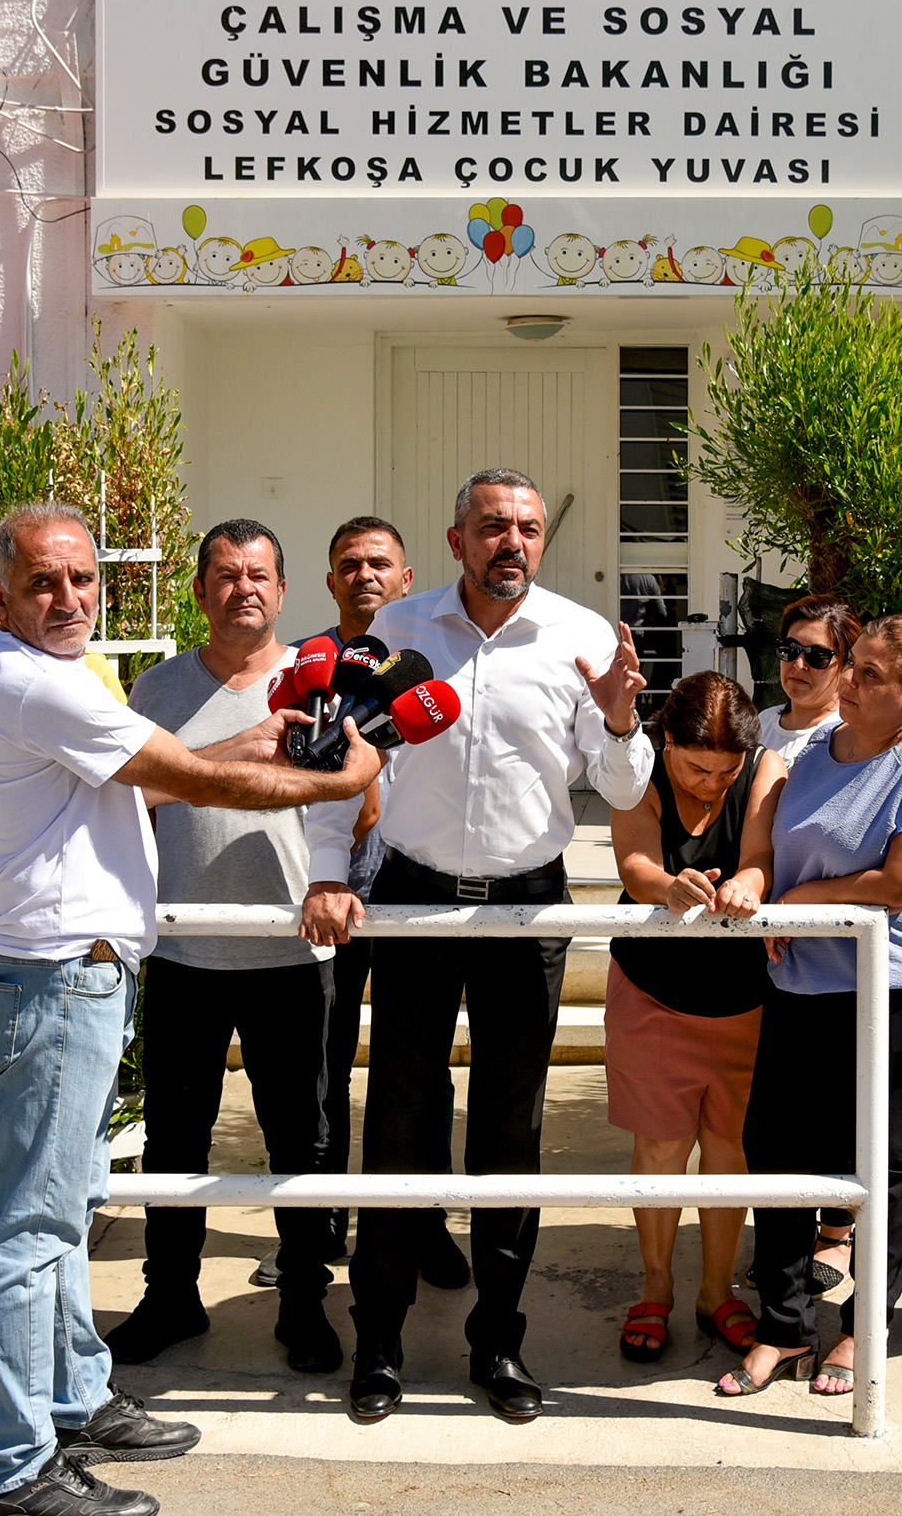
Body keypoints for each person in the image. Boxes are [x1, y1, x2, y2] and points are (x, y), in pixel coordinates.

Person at [0, 501, 377, 1516]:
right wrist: (342, 776)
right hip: (61, 972)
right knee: (33, 1230)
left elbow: (140, 786)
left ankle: (77, 1398)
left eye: (81, 578)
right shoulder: (37, 682)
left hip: (77, 972)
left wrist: (256, 735)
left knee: (65, 1211)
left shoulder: (54, 676)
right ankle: (19, 1469)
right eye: (42, 582)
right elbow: (187, 778)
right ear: (2, 595)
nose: (68, 598)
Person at [301, 468, 652, 1426]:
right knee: (399, 1122)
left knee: (510, 1130)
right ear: (456, 539)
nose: (514, 542)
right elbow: (343, 765)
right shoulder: (397, 631)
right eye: (494, 526)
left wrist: (621, 718)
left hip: (527, 911)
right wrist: (328, 873)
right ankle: (379, 1340)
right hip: (414, 900)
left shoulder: (582, 636)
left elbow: (624, 789)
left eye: (528, 528)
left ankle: (498, 1339)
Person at [104, 520, 345, 1375]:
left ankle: (305, 1302)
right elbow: (128, 800)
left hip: (291, 957)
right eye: (226, 574)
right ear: (201, 590)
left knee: (300, 1141)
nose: (243, 588)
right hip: (181, 954)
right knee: (176, 1138)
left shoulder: (321, 684)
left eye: (258, 575)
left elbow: (357, 804)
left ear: (282, 592)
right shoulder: (155, 689)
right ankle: (170, 1295)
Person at [719, 615, 902, 1403]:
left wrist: (796, 904)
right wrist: (759, 886)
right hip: (801, 983)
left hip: (893, 988)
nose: (848, 681)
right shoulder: (811, 753)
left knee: (876, 1158)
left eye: (869, 673)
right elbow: (768, 853)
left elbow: (901, 884)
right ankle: (785, 1326)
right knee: (774, 1148)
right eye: (851, 665)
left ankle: (866, 1327)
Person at [296, 516, 473, 1293]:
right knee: (325, 1062)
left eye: (379, 564)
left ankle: (423, 1223)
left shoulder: (438, 672)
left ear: (407, 580)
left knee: (422, 1072)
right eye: (349, 564)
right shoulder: (306, 672)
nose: (364, 574)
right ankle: (324, 1222)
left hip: (414, 894)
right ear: (329, 581)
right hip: (331, 895)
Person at [605, 672, 783, 1363]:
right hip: (652, 989)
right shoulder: (638, 770)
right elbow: (634, 863)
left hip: (744, 995)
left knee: (730, 1147)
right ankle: (655, 1287)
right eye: (697, 768)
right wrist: (668, 886)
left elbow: (761, 856)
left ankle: (718, 1290)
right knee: (660, 1145)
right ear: (667, 742)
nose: (712, 783)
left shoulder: (765, 769)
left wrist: (748, 883)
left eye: (726, 772)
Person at [758, 594, 857, 769]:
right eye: (790, 648)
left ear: (846, 663)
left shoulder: (848, 737)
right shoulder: (761, 724)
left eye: (817, 656)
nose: (798, 665)